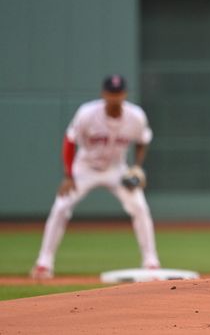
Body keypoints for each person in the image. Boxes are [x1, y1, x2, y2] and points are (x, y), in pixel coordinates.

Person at [30, 75, 160, 279]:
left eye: (118, 93)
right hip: (85, 167)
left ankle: (151, 262)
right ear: (103, 94)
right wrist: (68, 175)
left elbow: (143, 140)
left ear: (124, 94)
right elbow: (69, 141)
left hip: (117, 169)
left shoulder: (136, 116)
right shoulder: (87, 113)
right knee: (61, 206)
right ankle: (43, 263)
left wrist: (136, 167)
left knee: (140, 207)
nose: (115, 97)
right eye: (111, 93)